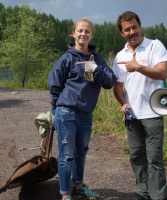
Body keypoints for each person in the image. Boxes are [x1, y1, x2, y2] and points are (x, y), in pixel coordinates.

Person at [48, 18, 117, 200]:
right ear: (74, 33)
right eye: (80, 31)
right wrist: (55, 110)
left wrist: (96, 69)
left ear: (92, 35)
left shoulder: (98, 59)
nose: (83, 34)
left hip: (86, 114)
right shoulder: (67, 58)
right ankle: (65, 195)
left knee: (81, 152)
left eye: (87, 31)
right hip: (66, 112)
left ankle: (78, 186)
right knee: (67, 155)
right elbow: (54, 85)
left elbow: (110, 82)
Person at [112, 11, 167, 200]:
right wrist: (123, 102)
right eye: (127, 29)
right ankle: (143, 193)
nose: (132, 32)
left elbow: (162, 74)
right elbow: (118, 87)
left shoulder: (154, 46)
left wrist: (138, 67)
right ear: (122, 33)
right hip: (132, 114)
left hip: (153, 112)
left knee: (154, 158)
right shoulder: (120, 56)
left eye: (134, 27)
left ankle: (158, 196)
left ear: (140, 26)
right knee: (136, 156)